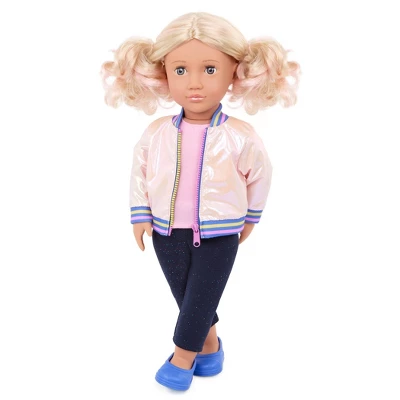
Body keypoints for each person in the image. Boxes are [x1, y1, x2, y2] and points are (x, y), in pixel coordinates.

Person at [101, 11, 300, 391]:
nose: (194, 83)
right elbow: (139, 173)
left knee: (201, 296)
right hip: (165, 231)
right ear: (162, 73)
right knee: (189, 297)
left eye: (210, 69)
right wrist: (140, 215)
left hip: (221, 232)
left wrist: (251, 217)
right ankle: (210, 347)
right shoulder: (156, 133)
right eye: (180, 70)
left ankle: (181, 358)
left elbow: (261, 175)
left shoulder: (241, 135)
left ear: (234, 73)